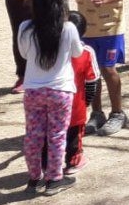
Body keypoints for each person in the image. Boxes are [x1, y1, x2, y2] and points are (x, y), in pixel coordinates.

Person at [59, 0, 129, 136]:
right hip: (84, 28)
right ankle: (97, 113)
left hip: (110, 26)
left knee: (108, 69)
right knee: (91, 71)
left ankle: (118, 113)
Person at [19, 0, 82, 195]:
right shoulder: (69, 28)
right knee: (57, 135)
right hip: (60, 90)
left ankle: (34, 177)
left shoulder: (25, 28)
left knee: (33, 135)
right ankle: (54, 179)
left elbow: (24, 54)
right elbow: (77, 53)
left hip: (33, 90)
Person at [41, 11, 99, 175]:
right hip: (76, 105)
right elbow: (92, 80)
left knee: (50, 134)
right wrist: (87, 102)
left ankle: (46, 164)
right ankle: (74, 161)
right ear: (84, 32)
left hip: (51, 102)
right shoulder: (86, 52)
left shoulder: (50, 50)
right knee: (74, 135)